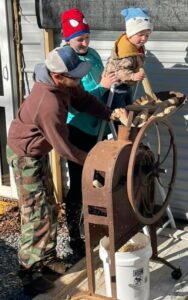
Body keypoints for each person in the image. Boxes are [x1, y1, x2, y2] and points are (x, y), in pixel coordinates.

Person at [6, 46, 126, 296]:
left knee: (48, 205)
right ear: (58, 76)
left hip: (38, 149)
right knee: (35, 213)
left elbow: (84, 100)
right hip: (24, 155)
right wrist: (92, 164)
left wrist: (110, 113)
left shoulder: (66, 85)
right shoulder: (47, 103)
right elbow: (64, 147)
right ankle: (28, 272)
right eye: (76, 76)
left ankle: (47, 259)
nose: (80, 79)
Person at [60, 7, 118, 261]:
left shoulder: (92, 54)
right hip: (77, 128)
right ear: (67, 37)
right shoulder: (65, 61)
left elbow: (101, 85)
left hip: (98, 126)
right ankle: (74, 235)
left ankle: (96, 226)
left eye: (87, 37)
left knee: (98, 178)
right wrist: (103, 88)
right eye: (79, 39)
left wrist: (112, 83)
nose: (84, 43)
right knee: (79, 183)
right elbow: (76, 102)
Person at [103, 7, 153, 108]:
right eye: (140, 35)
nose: (144, 38)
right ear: (130, 33)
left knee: (129, 105)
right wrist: (133, 76)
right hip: (116, 85)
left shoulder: (136, 46)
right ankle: (118, 123)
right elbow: (120, 71)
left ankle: (128, 120)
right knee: (120, 109)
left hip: (125, 84)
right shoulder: (125, 51)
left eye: (147, 35)